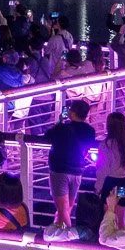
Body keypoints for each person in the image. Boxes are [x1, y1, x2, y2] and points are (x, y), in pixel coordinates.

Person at [43, 99, 98, 236]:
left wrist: (60, 121)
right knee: (67, 207)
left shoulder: (62, 128)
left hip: (59, 170)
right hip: (78, 170)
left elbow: (47, 137)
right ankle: (58, 231)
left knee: (62, 209)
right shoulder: (90, 131)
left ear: (72, 113)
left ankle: (68, 239)